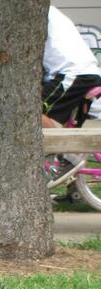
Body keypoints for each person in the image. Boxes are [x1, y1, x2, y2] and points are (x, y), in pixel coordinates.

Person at [41, 6, 101, 183]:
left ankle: (68, 153)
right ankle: (74, 191)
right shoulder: (48, 10)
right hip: (83, 73)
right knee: (68, 128)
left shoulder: (35, 13)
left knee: (29, 111)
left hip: (72, 73)